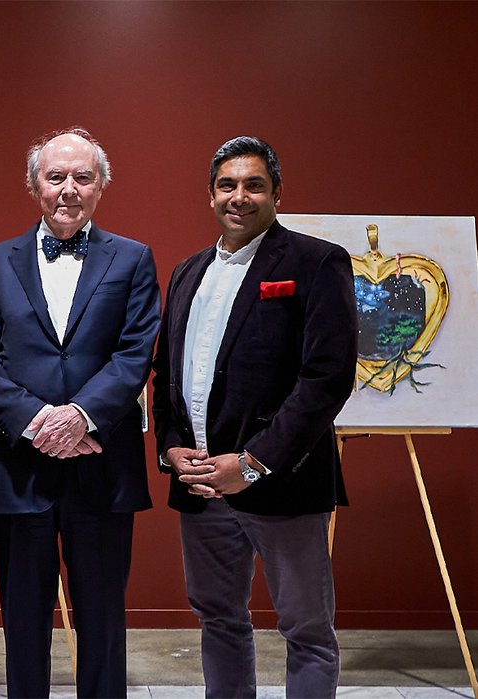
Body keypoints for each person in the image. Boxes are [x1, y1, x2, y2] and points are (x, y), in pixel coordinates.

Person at [151, 136, 358, 698]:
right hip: (200, 486)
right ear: (211, 194)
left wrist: (253, 462)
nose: (238, 196)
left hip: (281, 484)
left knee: (307, 631)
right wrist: (171, 446)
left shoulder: (316, 262)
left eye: (253, 185)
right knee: (219, 619)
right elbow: (166, 373)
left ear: (276, 194)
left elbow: (327, 380)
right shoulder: (187, 271)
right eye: (227, 185)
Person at [0, 128, 161, 697]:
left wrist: (79, 417)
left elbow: (134, 353)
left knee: (102, 620)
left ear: (101, 187)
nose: (68, 189)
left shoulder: (134, 259)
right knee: (22, 621)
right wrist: (39, 423)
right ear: (34, 186)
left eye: (82, 177)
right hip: (18, 468)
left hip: (103, 467)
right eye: (55, 177)